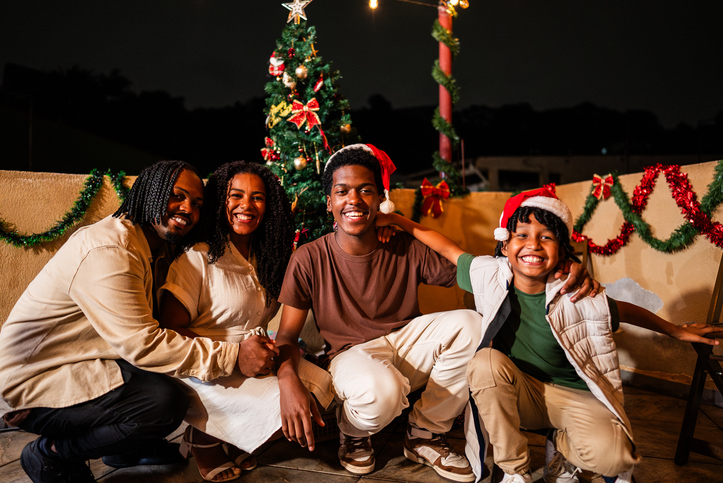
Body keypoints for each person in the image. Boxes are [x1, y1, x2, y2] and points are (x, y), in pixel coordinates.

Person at [273, 145, 597, 483]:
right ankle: (353, 431)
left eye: (365, 190)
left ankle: (424, 434)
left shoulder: (403, 245)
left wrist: (560, 265)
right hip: (350, 355)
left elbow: (483, 273)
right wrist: (287, 380)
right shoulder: (308, 258)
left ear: (380, 199)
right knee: (379, 391)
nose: (353, 199)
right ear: (330, 202)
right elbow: (285, 336)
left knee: (472, 325)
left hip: (407, 342)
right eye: (342, 191)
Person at [375, 187, 722, 483]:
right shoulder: (490, 276)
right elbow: (446, 246)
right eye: (522, 235)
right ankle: (514, 471)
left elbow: (623, 311)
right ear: (505, 245)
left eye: (546, 237)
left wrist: (675, 330)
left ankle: (566, 449)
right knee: (483, 363)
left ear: (562, 249)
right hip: (521, 392)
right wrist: (399, 221)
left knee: (615, 458)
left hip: (574, 397)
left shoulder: (577, 291)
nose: (533, 245)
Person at [0, 161, 250, 483]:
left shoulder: (153, 247)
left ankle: (123, 448)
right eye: (177, 196)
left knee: (171, 379)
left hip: (83, 363)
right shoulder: (110, 248)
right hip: (34, 382)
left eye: (197, 204)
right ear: (148, 193)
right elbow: (142, 344)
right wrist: (233, 355)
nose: (188, 209)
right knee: (162, 402)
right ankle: (52, 453)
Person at [158, 161, 333, 482]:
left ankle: (231, 435)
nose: (246, 206)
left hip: (256, 358)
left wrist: (281, 372)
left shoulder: (264, 259)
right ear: (219, 202)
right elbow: (169, 331)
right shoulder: (198, 256)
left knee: (321, 389)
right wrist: (235, 355)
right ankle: (202, 439)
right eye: (235, 196)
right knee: (283, 410)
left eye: (258, 198)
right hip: (206, 367)